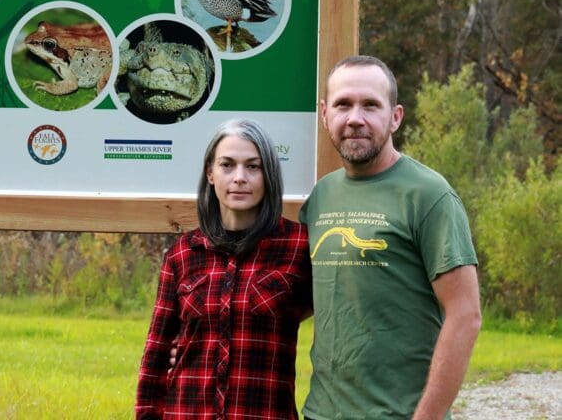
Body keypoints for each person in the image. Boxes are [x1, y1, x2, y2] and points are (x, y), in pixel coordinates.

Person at [301, 55, 481, 419]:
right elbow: (304, 299)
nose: (355, 118)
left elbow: (465, 313)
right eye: (343, 105)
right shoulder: (320, 197)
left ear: (395, 116)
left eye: (370, 105)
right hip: (321, 413)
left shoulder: (429, 195)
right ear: (324, 114)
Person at [136, 118, 312, 420]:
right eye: (227, 165)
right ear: (211, 173)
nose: (240, 177)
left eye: (253, 167)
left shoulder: (299, 247)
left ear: (268, 174)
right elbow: (156, 354)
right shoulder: (182, 254)